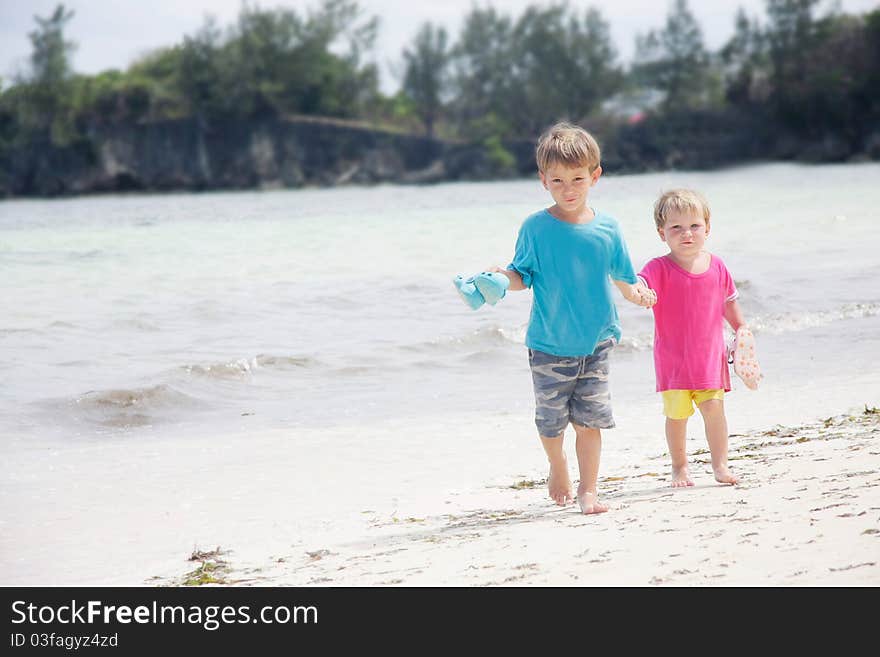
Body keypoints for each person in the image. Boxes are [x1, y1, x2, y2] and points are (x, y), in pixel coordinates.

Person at [487, 122, 656, 514]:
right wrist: (498, 279)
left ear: (595, 176)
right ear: (543, 180)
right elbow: (521, 275)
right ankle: (557, 464)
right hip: (548, 344)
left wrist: (640, 295)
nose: (569, 188)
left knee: (590, 421)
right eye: (558, 180)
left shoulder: (608, 228)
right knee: (551, 422)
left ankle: (589, 491)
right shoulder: (536, 227)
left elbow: (624, 278)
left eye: (578, 178)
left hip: (597, 341)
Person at [637, 189, 752, 487]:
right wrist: (639, 291)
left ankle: (720, 465)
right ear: (662, 233)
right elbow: (640, 284)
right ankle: (680, 466)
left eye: (694, 226)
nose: (686, 233)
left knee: (714, 411)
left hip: (710, 358)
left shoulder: (717, 266)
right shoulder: (658, 268)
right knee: (677, 417)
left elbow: (728, 303)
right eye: (676, 227)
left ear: (707, 228)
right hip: (673, 361)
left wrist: (742, 329)